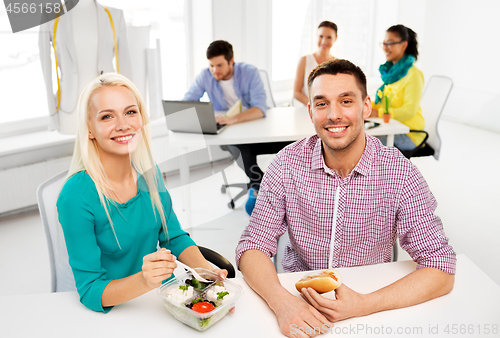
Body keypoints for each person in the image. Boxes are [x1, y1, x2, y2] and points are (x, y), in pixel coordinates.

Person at [236, 59, 456, 337]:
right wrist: (281, 302)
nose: (333, 115)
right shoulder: (285, 165)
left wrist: (365, 304)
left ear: (366, 106)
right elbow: (252, 246)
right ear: (311, 111)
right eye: (322, 103)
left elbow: (441, 267)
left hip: (371, 299)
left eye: (346, 101)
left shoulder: (400, 173)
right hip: (299, 298)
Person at [57, 73, 227, 313]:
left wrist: (207, 273)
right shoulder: (75, 196)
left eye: (130, 112)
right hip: (116, 310)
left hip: (159, 301)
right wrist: (144, 280)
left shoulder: (148, 172)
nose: (123, 124)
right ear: (90, 130)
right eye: (107, 116)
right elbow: (90, 290)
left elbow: (173, 237)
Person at [183, 40, 291, 215]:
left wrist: (232, 119)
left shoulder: (249, 73)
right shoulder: (206, 76)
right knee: (241, 146)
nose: (214, 71)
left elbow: (259, 109)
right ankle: (261, 187)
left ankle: (261, 187)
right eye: (211, 65)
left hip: (259, 129)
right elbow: (187, 102)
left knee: (289, 143)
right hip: (232, 135)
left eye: (219, 65)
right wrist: (205, 115)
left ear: (231, 61)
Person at [371, 24, 425, 152]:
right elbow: (384, 104)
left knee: (362, 144)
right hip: (391, 127)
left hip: (409, 133)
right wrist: (365, 107)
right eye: (383, 43)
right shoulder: (391, 74)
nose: (385, 48)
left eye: (389, 43)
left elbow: (409, 111)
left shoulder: (414, 75)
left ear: (403, 45)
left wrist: (379, 114)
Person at [294, 21, 338, 106]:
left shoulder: (338, 63)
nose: (324, 41)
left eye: (329, 37)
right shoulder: (304, 60)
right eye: (321, 36)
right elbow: (296, 92)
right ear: (316, 36)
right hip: (307, 109)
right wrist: (314, 105)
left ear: (335, 38)